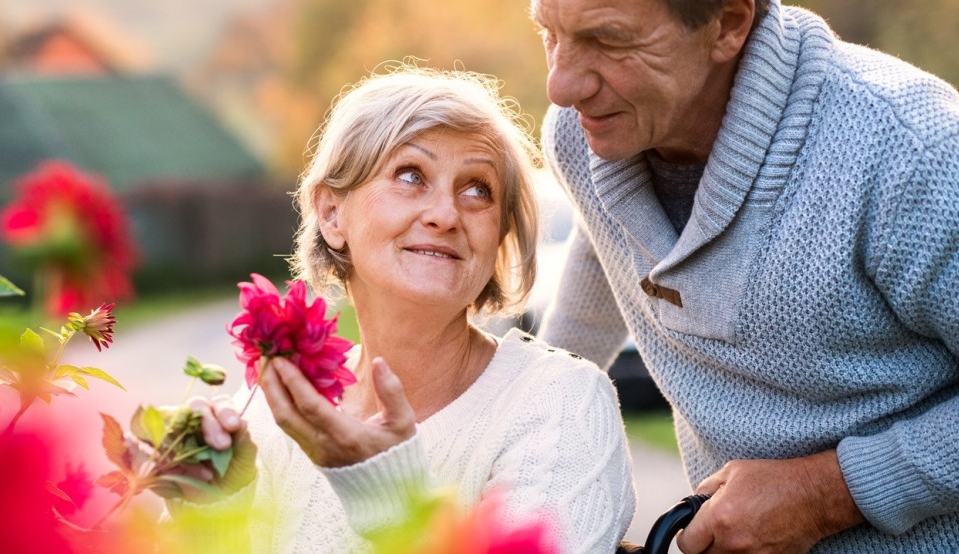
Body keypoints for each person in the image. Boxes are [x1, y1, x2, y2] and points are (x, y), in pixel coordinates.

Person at [531, 0, 959, 551]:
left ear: (729, 24)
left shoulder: (913, 154)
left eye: (610, 40)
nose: (561, 85)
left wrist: (825, 494)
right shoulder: (584, 133)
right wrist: (530, 417)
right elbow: (611, 240)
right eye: (549, 33)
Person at [167, 67, 638, 553]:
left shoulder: (561, 404)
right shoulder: (275, 410)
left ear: (498, 236)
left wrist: (394, 501)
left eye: (478, 189)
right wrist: (217, 516)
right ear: (331, 214)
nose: (446, 214)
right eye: (411, 176)